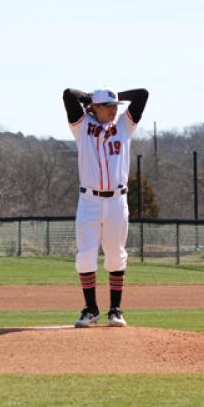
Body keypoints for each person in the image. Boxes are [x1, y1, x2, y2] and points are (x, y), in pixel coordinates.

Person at [63, 86, 148, 327]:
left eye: (115, 107)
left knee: (115, 255)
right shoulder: (81, 127)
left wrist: (114, 96)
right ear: (95, 108)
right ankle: (91, 310)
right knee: (85, 256)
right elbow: (69, 94)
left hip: (116, 201)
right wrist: (90, 99)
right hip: (89, 201)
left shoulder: (124, 126)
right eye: (108, 107)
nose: (113, 110)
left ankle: (115, 310)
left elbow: (142, 94)